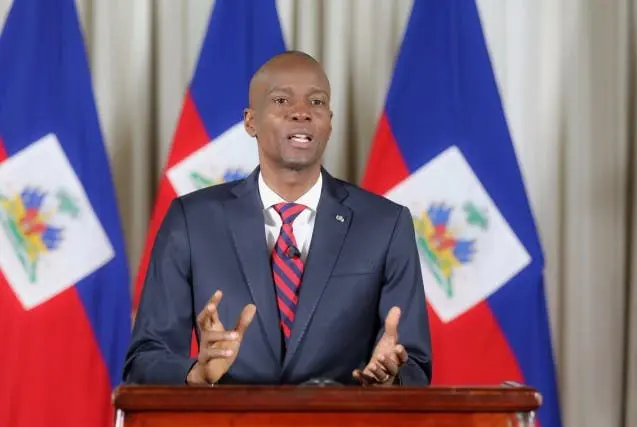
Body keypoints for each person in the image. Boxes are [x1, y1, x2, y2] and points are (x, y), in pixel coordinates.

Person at [123, 50, 432, 386]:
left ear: (329, 122)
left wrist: (391, 379)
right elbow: (145, 359)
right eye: (282, 100)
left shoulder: (386, 224)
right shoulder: (192, 220)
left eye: (316, 102)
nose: (301, 112)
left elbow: (414, 365)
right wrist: (197, 373)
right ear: (250, 121)